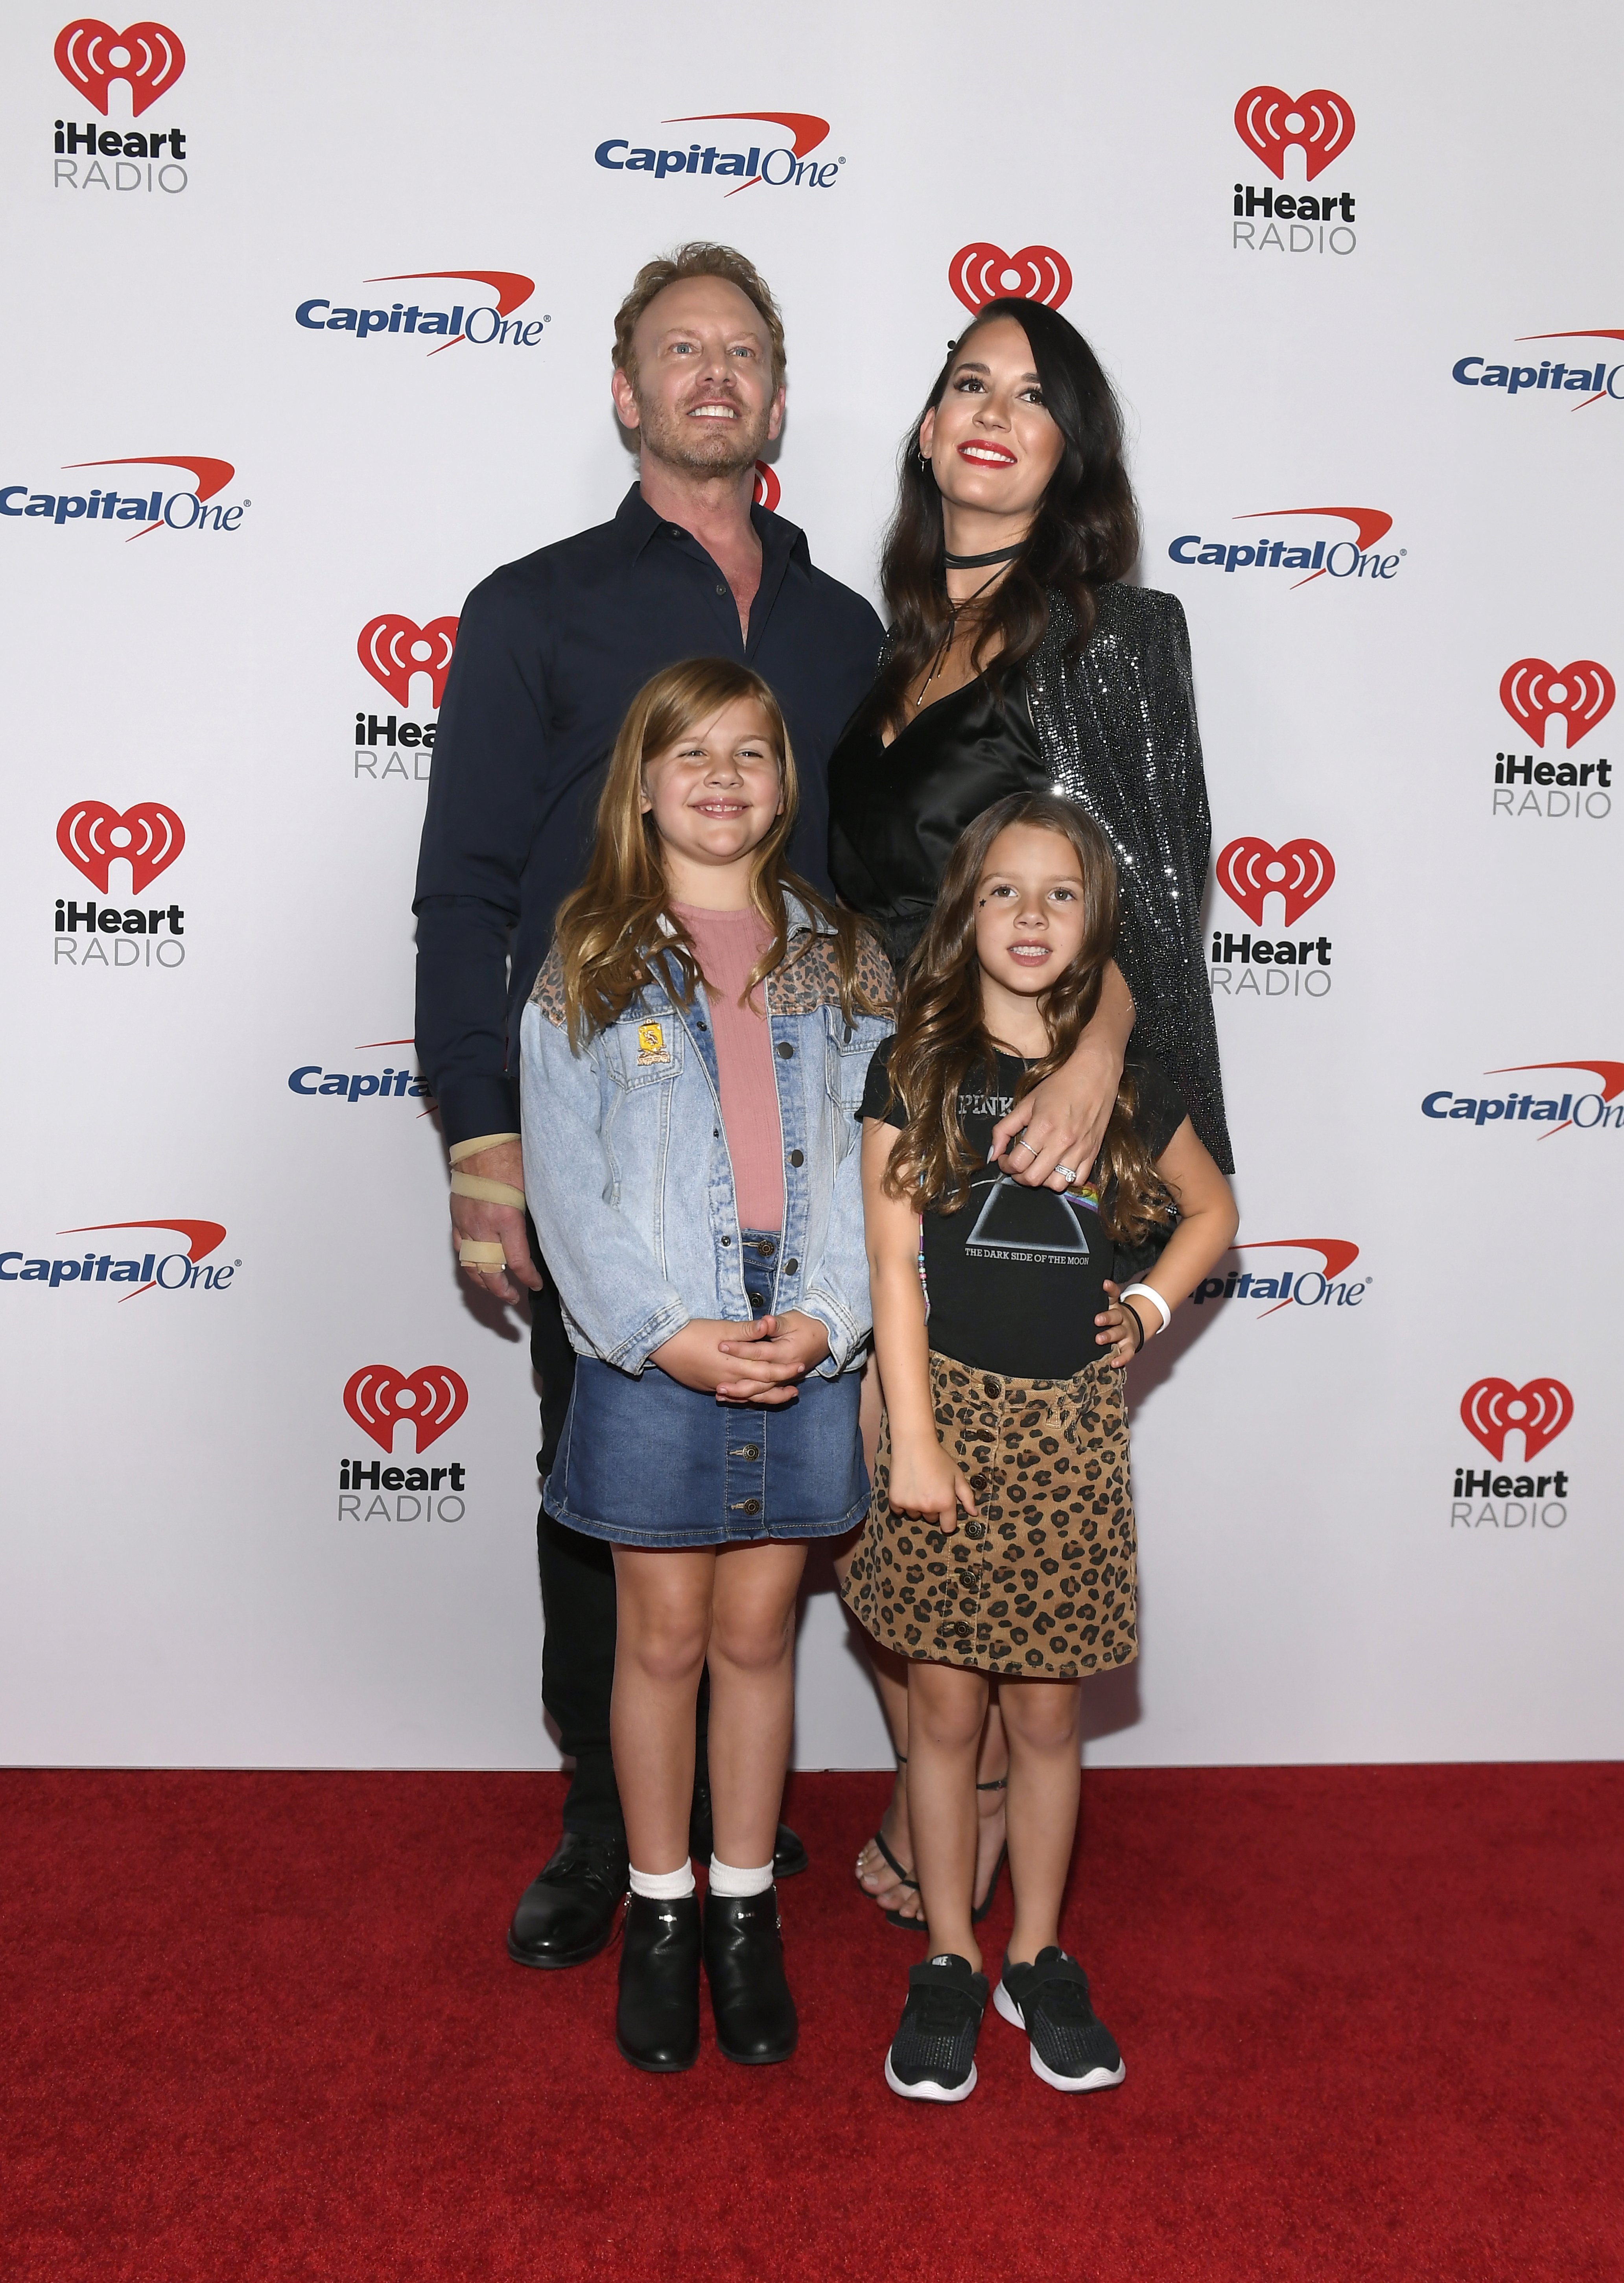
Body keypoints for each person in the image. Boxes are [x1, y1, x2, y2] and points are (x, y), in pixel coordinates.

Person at [414, 244, 886, 1970]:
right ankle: (610, 1832)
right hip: (601, 1149)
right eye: (678, 350)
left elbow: (880, 903)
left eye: (743, 351)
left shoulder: (845, 632)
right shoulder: (530, 608)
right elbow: (463, 888)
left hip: (805, 1153)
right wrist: (483, 1146)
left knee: (767, 1527)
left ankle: (735, 1844)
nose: (713, 374)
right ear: (624, 392)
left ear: (776, 396)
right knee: (600, 1504)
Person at [826, 295, 1231, 1927]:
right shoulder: (888, 662)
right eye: (964, 386)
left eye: (1032, 397)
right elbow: (878, 909)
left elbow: (1153, 889)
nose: (991, 412)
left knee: (1005, 1482)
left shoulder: (1115, 638)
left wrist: (1092, 1062)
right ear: (928, 433)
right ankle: (964, 1774)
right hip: (896, 1114)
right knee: (893, 1487)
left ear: (1071, 460)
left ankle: (985, 1800)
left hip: (1048, 1131)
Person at [521, 658, 892, 2071]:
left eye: (751, 751)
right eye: (693, 754)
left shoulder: (844, 953)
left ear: (781, 784)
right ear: (645, 782)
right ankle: (660, 1908)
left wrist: (828, 1320)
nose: (724, 777)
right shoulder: (590, 956)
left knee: (756, 1639)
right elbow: (565, 1178)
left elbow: (881, 1164)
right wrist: (661, 1332)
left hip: (801, 1326)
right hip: (649, 1341)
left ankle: (745, 1911)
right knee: (661, 1641)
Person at [844, 793, 1237, 2099]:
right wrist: (908, 1441)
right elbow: (892, 1270)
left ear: (1096, 922)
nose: (1030, 917)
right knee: (946, 1718)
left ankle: (1038, 1951)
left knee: (1050, 1723)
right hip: (943, 1422)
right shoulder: (913, 1064)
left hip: (1070, 1431)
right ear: (965, 914)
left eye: (1060, 894)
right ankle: (948, 1957)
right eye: (1004, 891)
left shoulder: (1124, 1075)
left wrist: (1142, 1305)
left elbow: (1212, 1212)